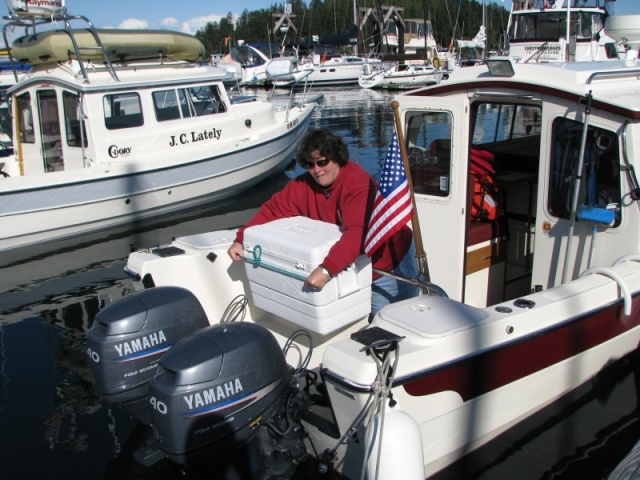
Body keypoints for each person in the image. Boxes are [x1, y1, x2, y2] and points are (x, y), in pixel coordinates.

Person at [227, 128, 419, 315]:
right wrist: (241, 238)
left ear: (337, 158)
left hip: (388, 262)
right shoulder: (302, 186)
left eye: (322, 162)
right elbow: (272, 210)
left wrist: (327, 269)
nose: (317, 170)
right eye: (310, 165)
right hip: (351, 268)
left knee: (388, 322)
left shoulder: (357, 182)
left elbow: (358, 233)